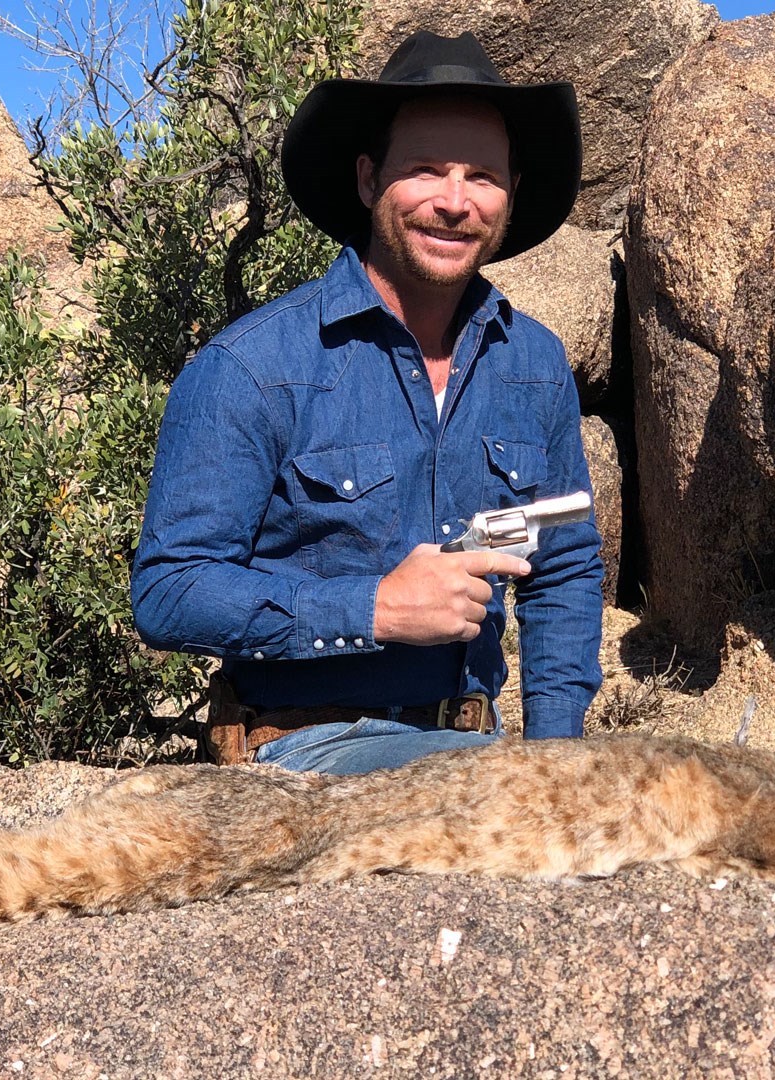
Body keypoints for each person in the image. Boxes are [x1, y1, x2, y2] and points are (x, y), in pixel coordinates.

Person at [129, 30, 602, 774]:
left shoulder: (534, 364)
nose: (455, 202)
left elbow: (564, 567)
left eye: (481, 175)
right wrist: (375, 608)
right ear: (366, 179)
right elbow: (169, 589)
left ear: (510, 192)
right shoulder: (252, 367)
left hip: (476, 751)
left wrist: (556, 762)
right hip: (301, 748)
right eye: (425, 171)